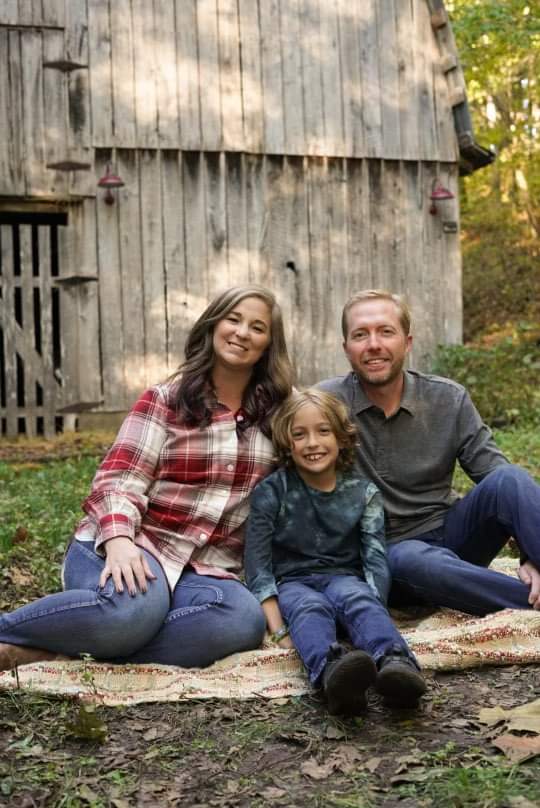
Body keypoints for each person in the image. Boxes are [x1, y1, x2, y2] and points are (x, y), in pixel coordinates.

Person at [0, 285, 294, 671]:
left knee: (241, 623)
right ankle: (15, 630)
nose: (242, 333)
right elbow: (119, 479)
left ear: (269, 345)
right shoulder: (166, 399)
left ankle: (63, 651)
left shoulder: (278, 415)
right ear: (212, 325)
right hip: (135, 541)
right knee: (132, 612)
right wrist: (120, 541)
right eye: (233, 319)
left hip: (205, 567)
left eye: (257, 327)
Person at [318, 289, 540, 615]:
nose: (374, 344)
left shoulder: (447, 398)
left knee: (511, 479)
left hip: (452, 533)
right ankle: (524, 601)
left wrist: (531, 556)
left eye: (386, 331)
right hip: (388, 555)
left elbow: (497, 477)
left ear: (407, 343)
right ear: (347, 349)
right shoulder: (326, 405)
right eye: (360, 335)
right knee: (413, 559)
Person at [244, 389, 427, 715]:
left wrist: (375, 606)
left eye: (323, 431)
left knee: (357, 598)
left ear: (342, 438)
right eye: (299, 435)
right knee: (309, 607)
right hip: (293, 582)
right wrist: (277, 629)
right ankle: (332, 674)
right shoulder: (272, 491)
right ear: (288, 444)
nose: (312, 442)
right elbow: (258, 566)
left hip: (343, 577)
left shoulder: (362, 492)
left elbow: (374, 558)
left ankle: (395, 664)